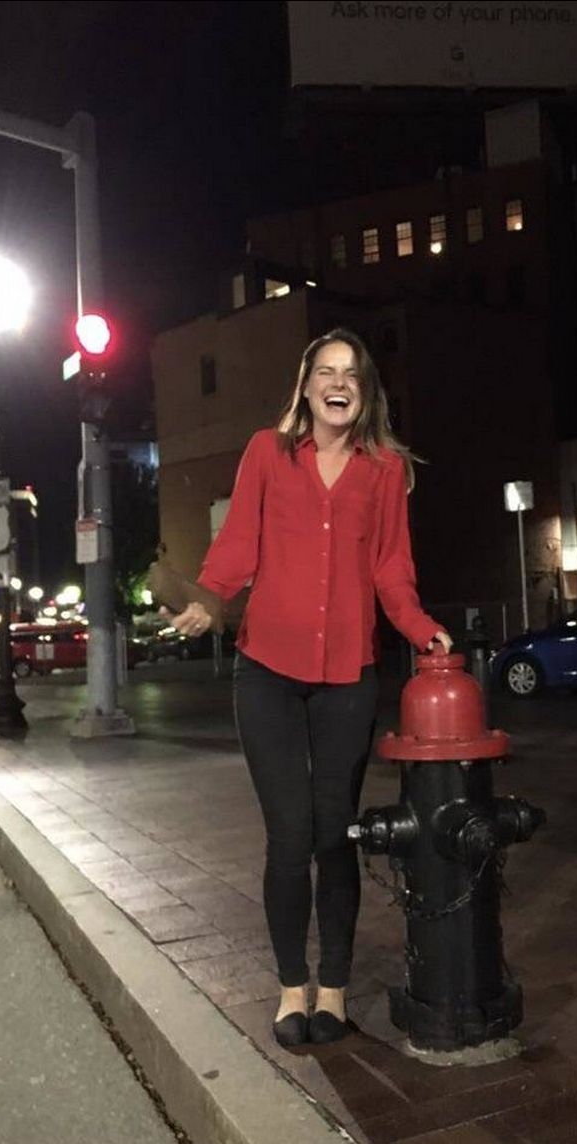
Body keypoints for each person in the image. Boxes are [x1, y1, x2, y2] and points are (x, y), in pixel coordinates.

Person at [165, 328, 452, 1048]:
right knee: (289, 837)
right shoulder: (268, 451)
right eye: (326, 371)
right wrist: (209, 599)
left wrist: (422, 629)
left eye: (351, 373)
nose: (338, 382)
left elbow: (391, 569)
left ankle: (334, 988)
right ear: (306, 385)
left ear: (365, 391)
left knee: (335, 835)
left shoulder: (383, 470)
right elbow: (239, 542)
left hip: (347, 676)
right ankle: (292, 986)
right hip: (266, 670)